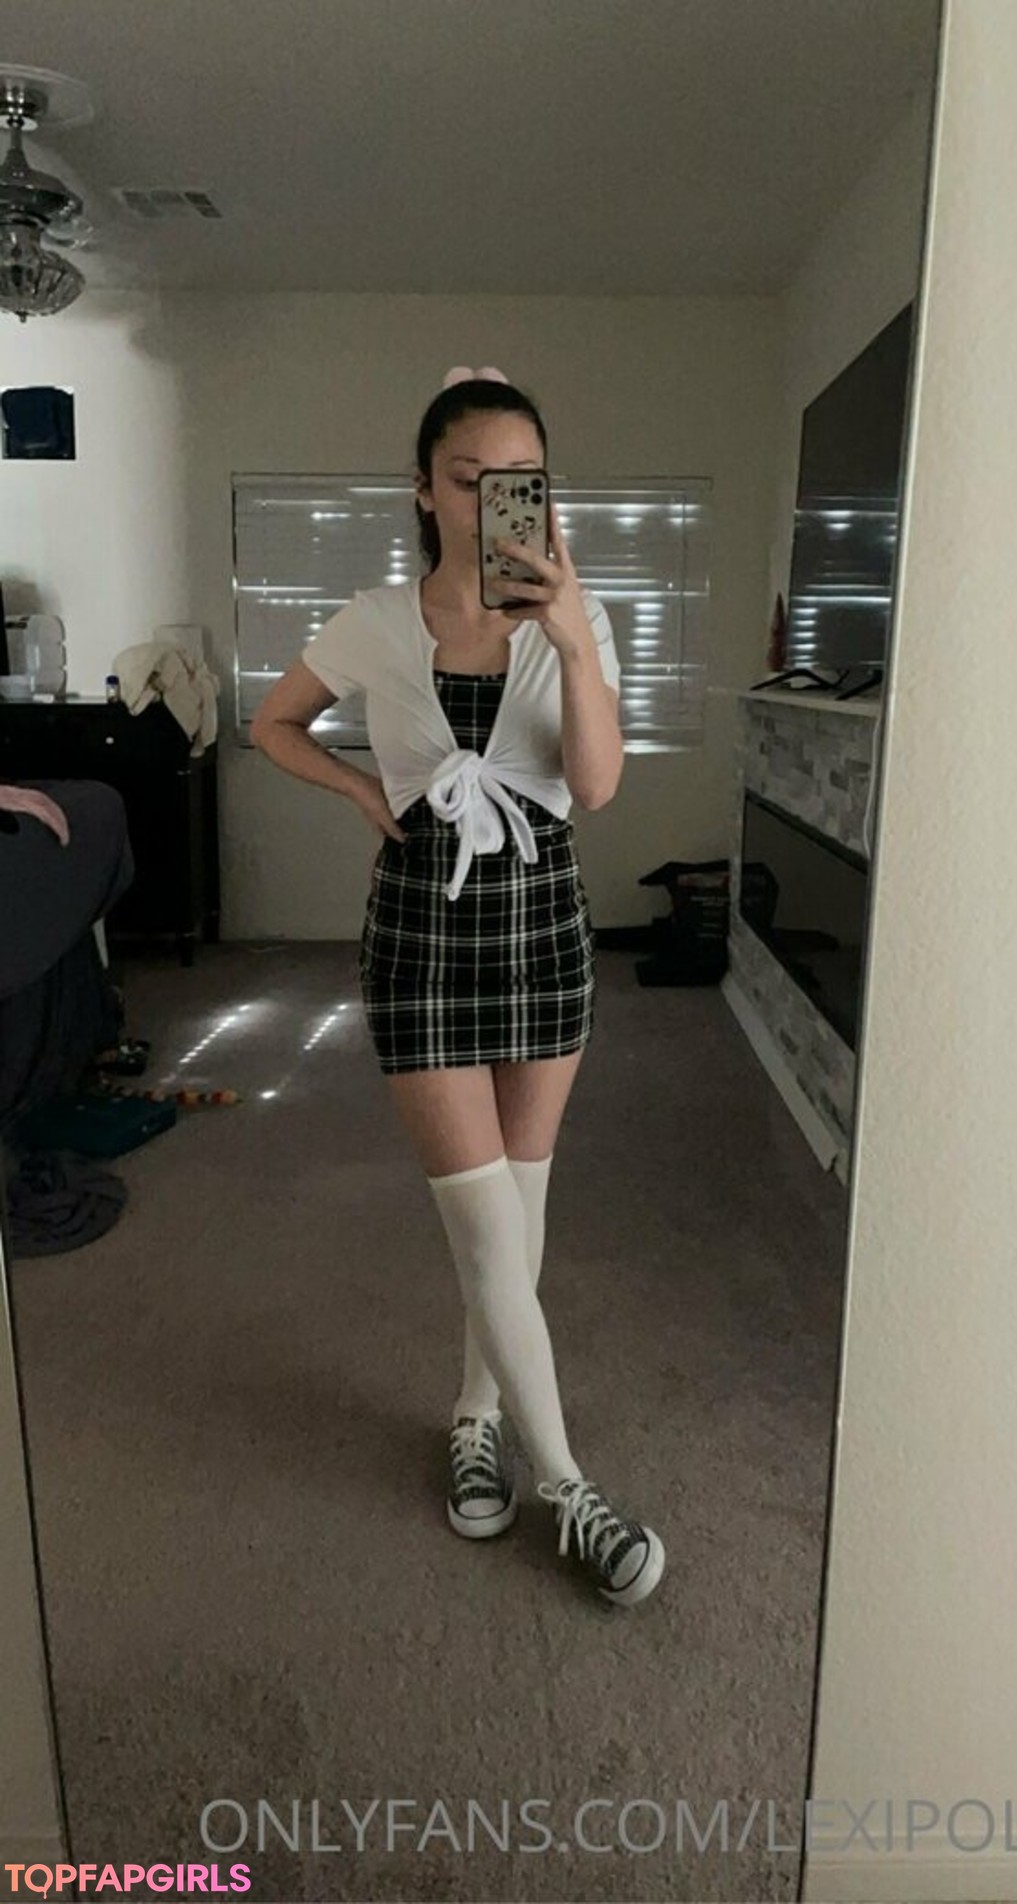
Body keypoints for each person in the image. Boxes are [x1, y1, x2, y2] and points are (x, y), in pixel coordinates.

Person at [251, 366, 665, 1607]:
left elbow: (597, 785)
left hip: (543, 925)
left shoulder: (576, 617)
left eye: (519, 482)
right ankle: (570, 1484)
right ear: (425, 489)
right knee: (485, 1228)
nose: (493, 503)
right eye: (469, 479)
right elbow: (274, 723)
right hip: (420, 936)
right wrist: (360, 791)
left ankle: (475, 1416)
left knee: (519, 1216)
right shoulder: (376, 620)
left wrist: (572, 638)